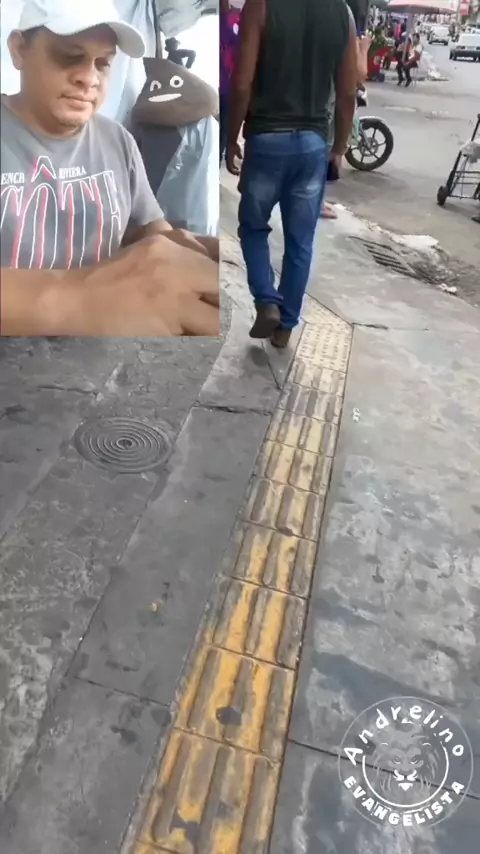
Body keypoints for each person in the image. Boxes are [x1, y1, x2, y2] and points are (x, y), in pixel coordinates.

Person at [1, 0, 219, 337]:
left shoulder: (117, 141)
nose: (89, 78)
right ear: (19, 50)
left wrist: (186, 252)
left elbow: (148, 229)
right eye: (69, 56)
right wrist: (79, 299)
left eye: (103, 64)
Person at [226, 0, 357, 348]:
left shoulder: (261, 5)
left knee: (253, 226)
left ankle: (266, 299)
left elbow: (242, 84)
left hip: (266, 140)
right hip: (313, 144)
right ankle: (285, 325)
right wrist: (340, 145)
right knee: (301, 241)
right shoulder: (342, 13)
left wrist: (231, 138)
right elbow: (348, 90)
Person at [219, 0, 241, 165]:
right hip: (214, 83)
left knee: (225, 126)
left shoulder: (238, 17)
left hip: (228, 83)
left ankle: (220, 156)